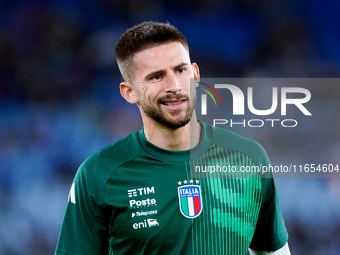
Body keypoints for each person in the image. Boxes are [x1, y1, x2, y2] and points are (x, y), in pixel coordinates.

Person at [54, 21, 290, 255]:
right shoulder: (99, 173)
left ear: (195, 74)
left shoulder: (248, 157)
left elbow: (272, 252)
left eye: (180, 70)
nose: (174, 86)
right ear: (130, 92)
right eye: (157, 76)